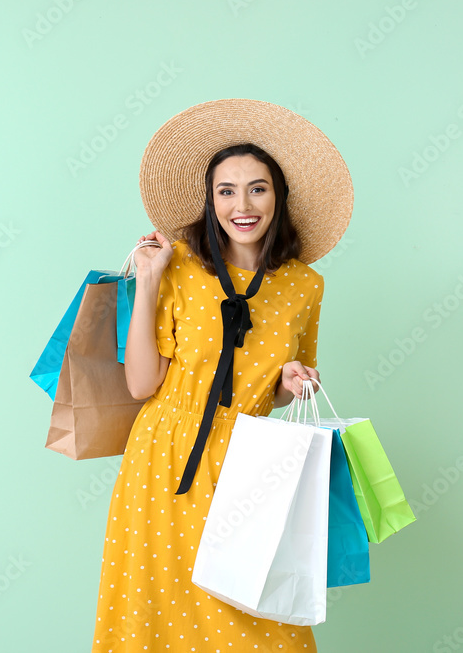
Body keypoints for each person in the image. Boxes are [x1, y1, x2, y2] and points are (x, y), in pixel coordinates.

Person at [92, 99, 353, 652]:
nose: (243, 204)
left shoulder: (305, 286)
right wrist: (149, 279)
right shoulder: (181, 266)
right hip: (165, 459)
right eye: (226, 191)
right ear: (210, 201)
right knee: (154, 620)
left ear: (278, 197)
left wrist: (292, 382)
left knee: (262, 619)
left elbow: (279, 392)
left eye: (257, 188)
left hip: (251, 464)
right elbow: (142, 385)